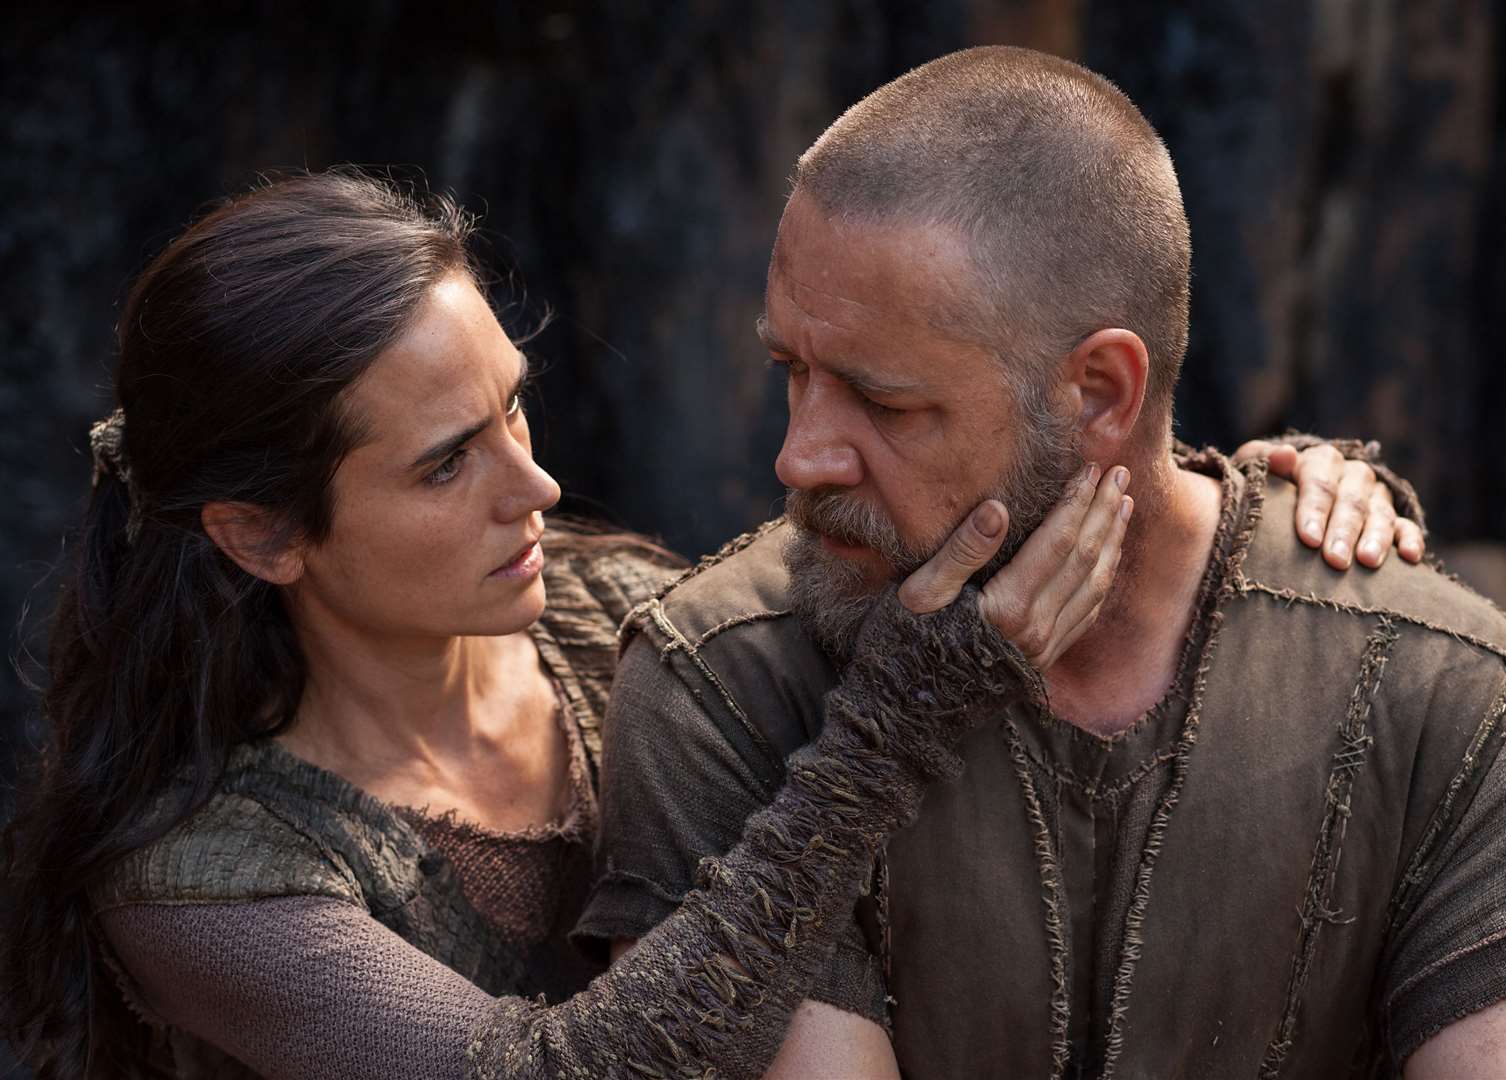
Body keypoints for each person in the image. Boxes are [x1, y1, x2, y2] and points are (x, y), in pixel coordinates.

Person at [0, 171, 1399, 1078]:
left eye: (514, 408)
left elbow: (927, 552)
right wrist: (885, 733)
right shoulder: (205, 879)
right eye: (447, 463)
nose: (533, 486)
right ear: (260, 533)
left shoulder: (615, 615)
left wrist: (1222, 509)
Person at [580, 46, 1506, 1079]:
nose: (796, 456)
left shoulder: (1443, 696)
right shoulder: (722, 681)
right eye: (789, 370)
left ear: (1102, 395)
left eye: (887, 403)